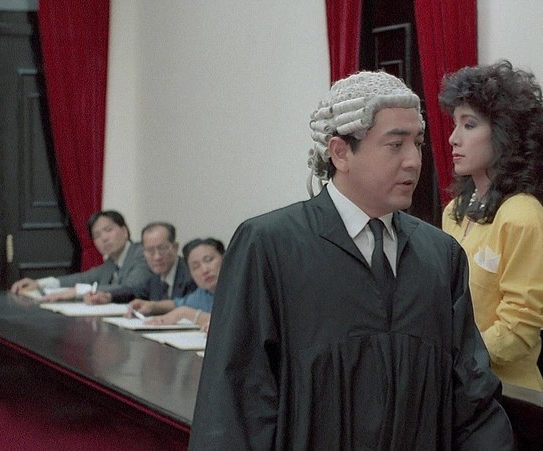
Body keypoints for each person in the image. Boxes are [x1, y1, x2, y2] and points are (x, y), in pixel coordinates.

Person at [189, 71, 514, 450]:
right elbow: (234, 405)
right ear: (341, 152)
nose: (413, 161)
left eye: (418, 143)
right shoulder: (269, 246)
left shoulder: (440, 256)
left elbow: (471, 398)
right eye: (395, 145)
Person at [439, 60, 543, 393]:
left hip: (505, 397)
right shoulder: (454, 212)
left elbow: (518, 330)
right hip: (457, 390)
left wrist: (447, 358)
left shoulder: (523, 216)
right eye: (454, 124)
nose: (453, 138)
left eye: (469, 125)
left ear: (504, 133)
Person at [10, 210, 152, 302]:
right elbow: (84, 278)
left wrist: (76, 292)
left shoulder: (142, 253)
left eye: (108, 230)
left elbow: (129, 288)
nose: (104, 238)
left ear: (125, 231)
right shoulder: (111, 263)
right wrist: (39, 284)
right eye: (97, 235)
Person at [83, 222, 197, 305]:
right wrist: (108, 296)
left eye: (162, 248)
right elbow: (134, 292)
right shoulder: (155, 276)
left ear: (175, 247)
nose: (157, 257)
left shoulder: (191, 276)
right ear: (143, 252)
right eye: (150, 251)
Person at [133, 237, 224, 331]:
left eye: (209, 260)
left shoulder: (234, 290)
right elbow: (177, 304)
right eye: (196, 266)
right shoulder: (203, 293)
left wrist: (185, 313)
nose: (204, 270)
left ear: (225, 258)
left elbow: (230, 321)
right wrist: (152, 306)